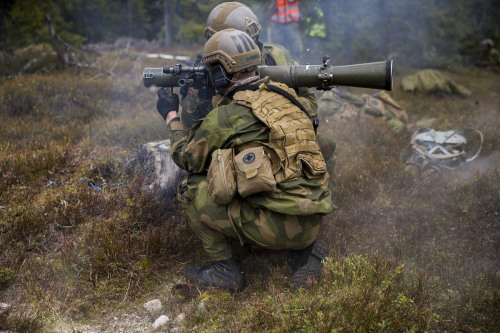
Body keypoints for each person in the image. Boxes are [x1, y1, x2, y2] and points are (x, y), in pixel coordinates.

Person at [156, 29, 335, 292]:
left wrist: (171, 114)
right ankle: (306, 253)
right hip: (313, 219)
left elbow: (186, 156)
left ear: (219, 72)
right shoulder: (286, 95)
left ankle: (224, 270)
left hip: (276, 229)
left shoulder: (228, 115)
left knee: (192, 186)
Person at [180, 1, 317, 132]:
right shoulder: (208, 69)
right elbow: (190, 125)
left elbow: (310, 102)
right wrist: (198, 93)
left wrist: (279, 108)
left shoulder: (278, 56)